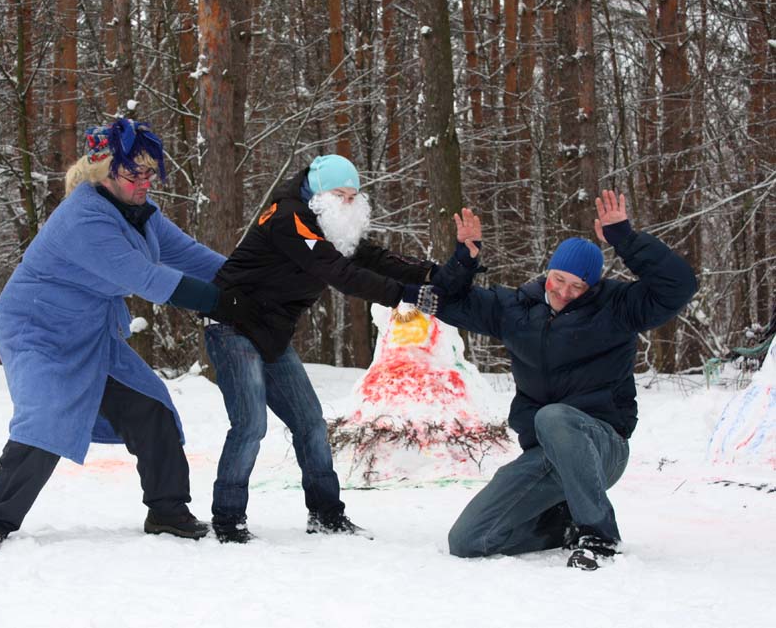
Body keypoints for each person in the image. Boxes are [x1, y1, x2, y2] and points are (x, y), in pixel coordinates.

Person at [0, 118, 259, 553]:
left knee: (151, 405)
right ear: (105, 174)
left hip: (91, 330)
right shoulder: (83, 220)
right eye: (132, 173)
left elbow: (189, 255)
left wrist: (250, 280)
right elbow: (149, 278)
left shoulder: (141, 214)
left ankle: (168, 511)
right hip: (38, 329)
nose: (144, 182)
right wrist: (227, 303)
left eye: (149, 172)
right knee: (45, 418)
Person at [435, 190, 698, 570]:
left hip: (602, 447)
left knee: (554, 416)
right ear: (548, 272)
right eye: (559, 280)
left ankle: (600, 535)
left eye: (578, 287)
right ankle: (564, 526)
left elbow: (680, 285)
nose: (564, 292)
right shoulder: (515, 310)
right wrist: (465, 257)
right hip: (546, 455)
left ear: (592, 287)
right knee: (467, 540)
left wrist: (624, 238)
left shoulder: (618, 308)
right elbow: (448, 302)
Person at [205, 154, 443, 543]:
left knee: (310, 424)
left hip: (271, 332)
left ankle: (326, 514)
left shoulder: (328, 226)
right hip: (232, 326)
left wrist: (432, 273)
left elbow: (372, 258)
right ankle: (228, 520)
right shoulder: (288, 218)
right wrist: (405, 294)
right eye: (339, 194)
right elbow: (340, 274)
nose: (347, 203)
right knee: (251, 424)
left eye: (353, 196)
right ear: (318, 193)